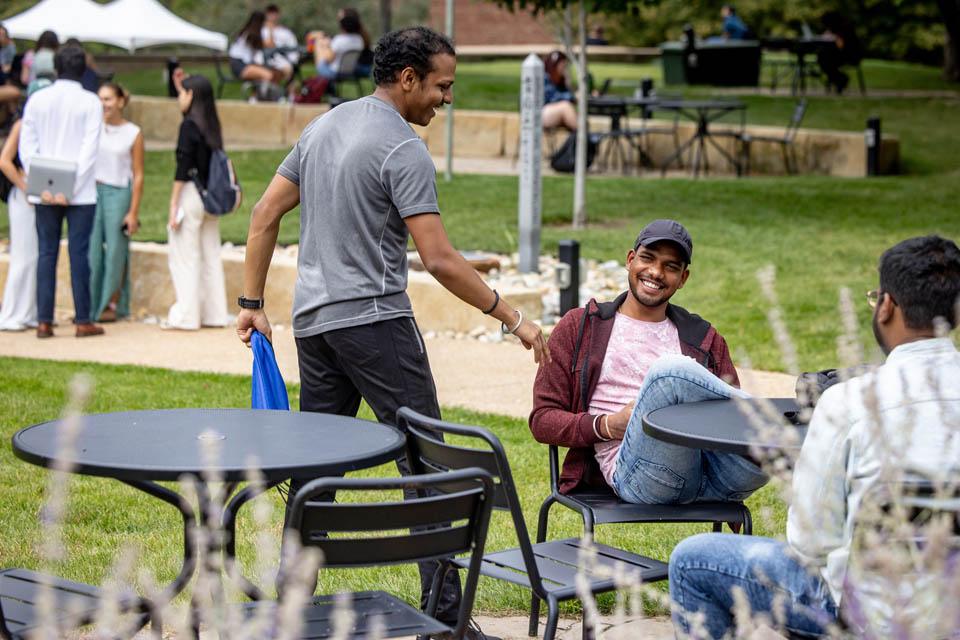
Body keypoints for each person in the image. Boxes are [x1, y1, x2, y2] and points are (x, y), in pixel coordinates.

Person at [236, 26, 548, 633]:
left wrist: (251, 302)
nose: (446, 99)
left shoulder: (323, 126)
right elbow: (440, 260)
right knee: (426, 464)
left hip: (314, 327)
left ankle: (290, 602)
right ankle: (450, 618)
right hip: (376, 323)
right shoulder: (403, 150)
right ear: (409, 78)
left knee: (316, 470)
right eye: (442, 85)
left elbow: (262, 214)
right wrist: (514, 318)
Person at [668, 235, 960, 639]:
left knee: (693, 560)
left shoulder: (849, 402)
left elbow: (809, 543)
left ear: (887, 306)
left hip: (867, 617)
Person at [529, 219, 768, 505]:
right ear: (630, 260)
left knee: (764, 452)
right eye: (648, 258)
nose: (656, 272)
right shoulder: (580, 326)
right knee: (669, 372)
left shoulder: (705, 338)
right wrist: (607, 426)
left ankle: (790, 439)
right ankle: (775, 420)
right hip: (643, 477)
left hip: (717, 479)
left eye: (671, 266)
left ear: (683, 279)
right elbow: (542, 420)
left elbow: (731, 423)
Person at [19, 44, 103, 338]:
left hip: (43, 192)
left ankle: (44, 321)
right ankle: (82, 320)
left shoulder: (37, 99)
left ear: (55, 69)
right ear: (83, 70)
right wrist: (69, 187)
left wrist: (42, 184)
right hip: (80, 195)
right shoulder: (91, 102)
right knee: (79, 255)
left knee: (47, 254)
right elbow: (89, 150)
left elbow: (27, 147)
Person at [165, 74, 228, 331]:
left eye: (183, 93)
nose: (180, 97)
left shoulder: (189, 127)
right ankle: (215, 314)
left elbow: (183, 167)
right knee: (210, 254)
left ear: (191, 96)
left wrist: (173, 204)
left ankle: (186, 315)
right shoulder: (212, 126)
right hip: (210, 198)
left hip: (191, 195)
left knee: (184, 255)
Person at [89, 82, 144, 323]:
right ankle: (90, 306)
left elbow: (138, 174)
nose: (104, 104)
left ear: (121, 102)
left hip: (119, 193)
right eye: (100, 99)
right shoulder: (91, 128)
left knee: (115, 252)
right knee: (91, 253)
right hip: (91, 193)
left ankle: (109, 304)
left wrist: (133, 211)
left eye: (108, 99)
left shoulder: (133, 132)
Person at [0, 119, 37, 331]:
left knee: (35, 256)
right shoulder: (22, 124)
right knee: (22, 255)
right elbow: (4, 161)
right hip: (23, 196)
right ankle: (11, 313)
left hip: (41, 195)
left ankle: (29, 311)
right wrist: (25, 187)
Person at [306, 10, 365, 83]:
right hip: (350, 71)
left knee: (319, 48)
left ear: (342, 27)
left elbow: (329, 59)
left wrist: (324, 47)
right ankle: (321, 84)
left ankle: (320, 84)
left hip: (335, 73)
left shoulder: (339, 39)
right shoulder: (359, 39)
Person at [229, 10, 283, 87]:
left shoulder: (249, 32)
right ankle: (259, 98)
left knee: (276, 73)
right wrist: (270, 29)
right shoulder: (251, 35)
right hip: (239, 66)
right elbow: (271, 45)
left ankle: (260, 97)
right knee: (268, 75)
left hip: (242, 64)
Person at [818, 11, 863, 94]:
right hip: (843, 55)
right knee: (823, 57)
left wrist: (832, 37)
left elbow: (841, 46)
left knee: (824, 59)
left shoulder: (843, 28)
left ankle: (841, 79)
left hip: (850, 56)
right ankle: (840, 79)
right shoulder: (838, 27)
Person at [261, 4, 298, 84]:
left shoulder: (286, 32)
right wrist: (270, 30)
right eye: (270, 13)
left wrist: (292, 61)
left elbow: (293, 49)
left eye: (274, 13)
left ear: (278, 14)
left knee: (288, 70)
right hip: (263, 60)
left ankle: (290, 94)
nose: (272, 16)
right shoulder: (261, 31)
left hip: (281, 61)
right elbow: (271, 45)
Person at [542, 50, 577, 132]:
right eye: (562, 66)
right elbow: (553, 98)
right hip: (541, 114)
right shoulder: (545, 77)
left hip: (552, 113)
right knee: (566, 107)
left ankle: (579, 139)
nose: (564, 69)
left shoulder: (559, 79)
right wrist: (573, 96)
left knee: (575, 114)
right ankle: (586, 138)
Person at [21, 30, 57, 95]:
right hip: (53, 91)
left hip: (33, 91)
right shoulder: (57, 56)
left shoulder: (31, 55)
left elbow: (24, 79)